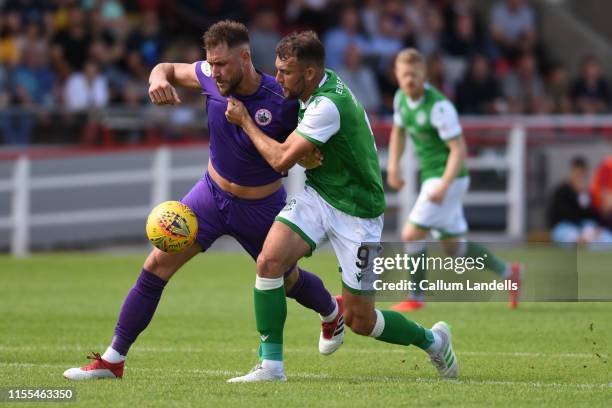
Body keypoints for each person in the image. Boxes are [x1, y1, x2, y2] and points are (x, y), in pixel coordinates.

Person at [62, 20, 343, 381]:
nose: (215, 71)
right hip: (209, 197)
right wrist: (157, 79)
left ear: (245, 57)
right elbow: (166, 68)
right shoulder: (210, 75)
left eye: (223, 64)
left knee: (288, 281)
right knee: (155, 267)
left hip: (260, 208)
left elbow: (304, 148)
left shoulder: (282, 99)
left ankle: (331, 312)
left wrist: (306, 156)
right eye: (211, 63)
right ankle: (113, 360)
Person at [224, 31, 458, 383]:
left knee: (361, 320)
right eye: (277, 69)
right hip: (320, 196)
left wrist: (244, 120)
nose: (278, 78)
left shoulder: (326, 105)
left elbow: (280, 159)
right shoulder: (310, 90)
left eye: (285, 72)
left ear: (310, 73)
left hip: (358, 215)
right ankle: (271, 366)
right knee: (269, 262)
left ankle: (434, 342)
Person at [386, 48, 523, 312]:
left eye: (414, 74)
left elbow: (459, 149)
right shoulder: (400, 99)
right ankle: (510, 273)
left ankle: (416, 297)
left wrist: (444, 185)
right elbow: (398, 132)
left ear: (425, 74)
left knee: (411, 233)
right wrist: (393, 166)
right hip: (434, 178)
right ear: (396, 75)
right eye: (405, 75)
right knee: (454, 247)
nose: (410, 80)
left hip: (447, 177)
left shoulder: (439, 106)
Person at [548, 156, 601, 244]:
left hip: (583, 227)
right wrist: (575, 195)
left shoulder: (585, 193)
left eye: (582, 174)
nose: (579, 177)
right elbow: (566, 215)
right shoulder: (561, 191)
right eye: (577, 174)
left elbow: (590, 215)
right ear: (572, 172)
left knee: (599, 233)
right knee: (571, 235)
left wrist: (581, 195)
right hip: (564, 227)